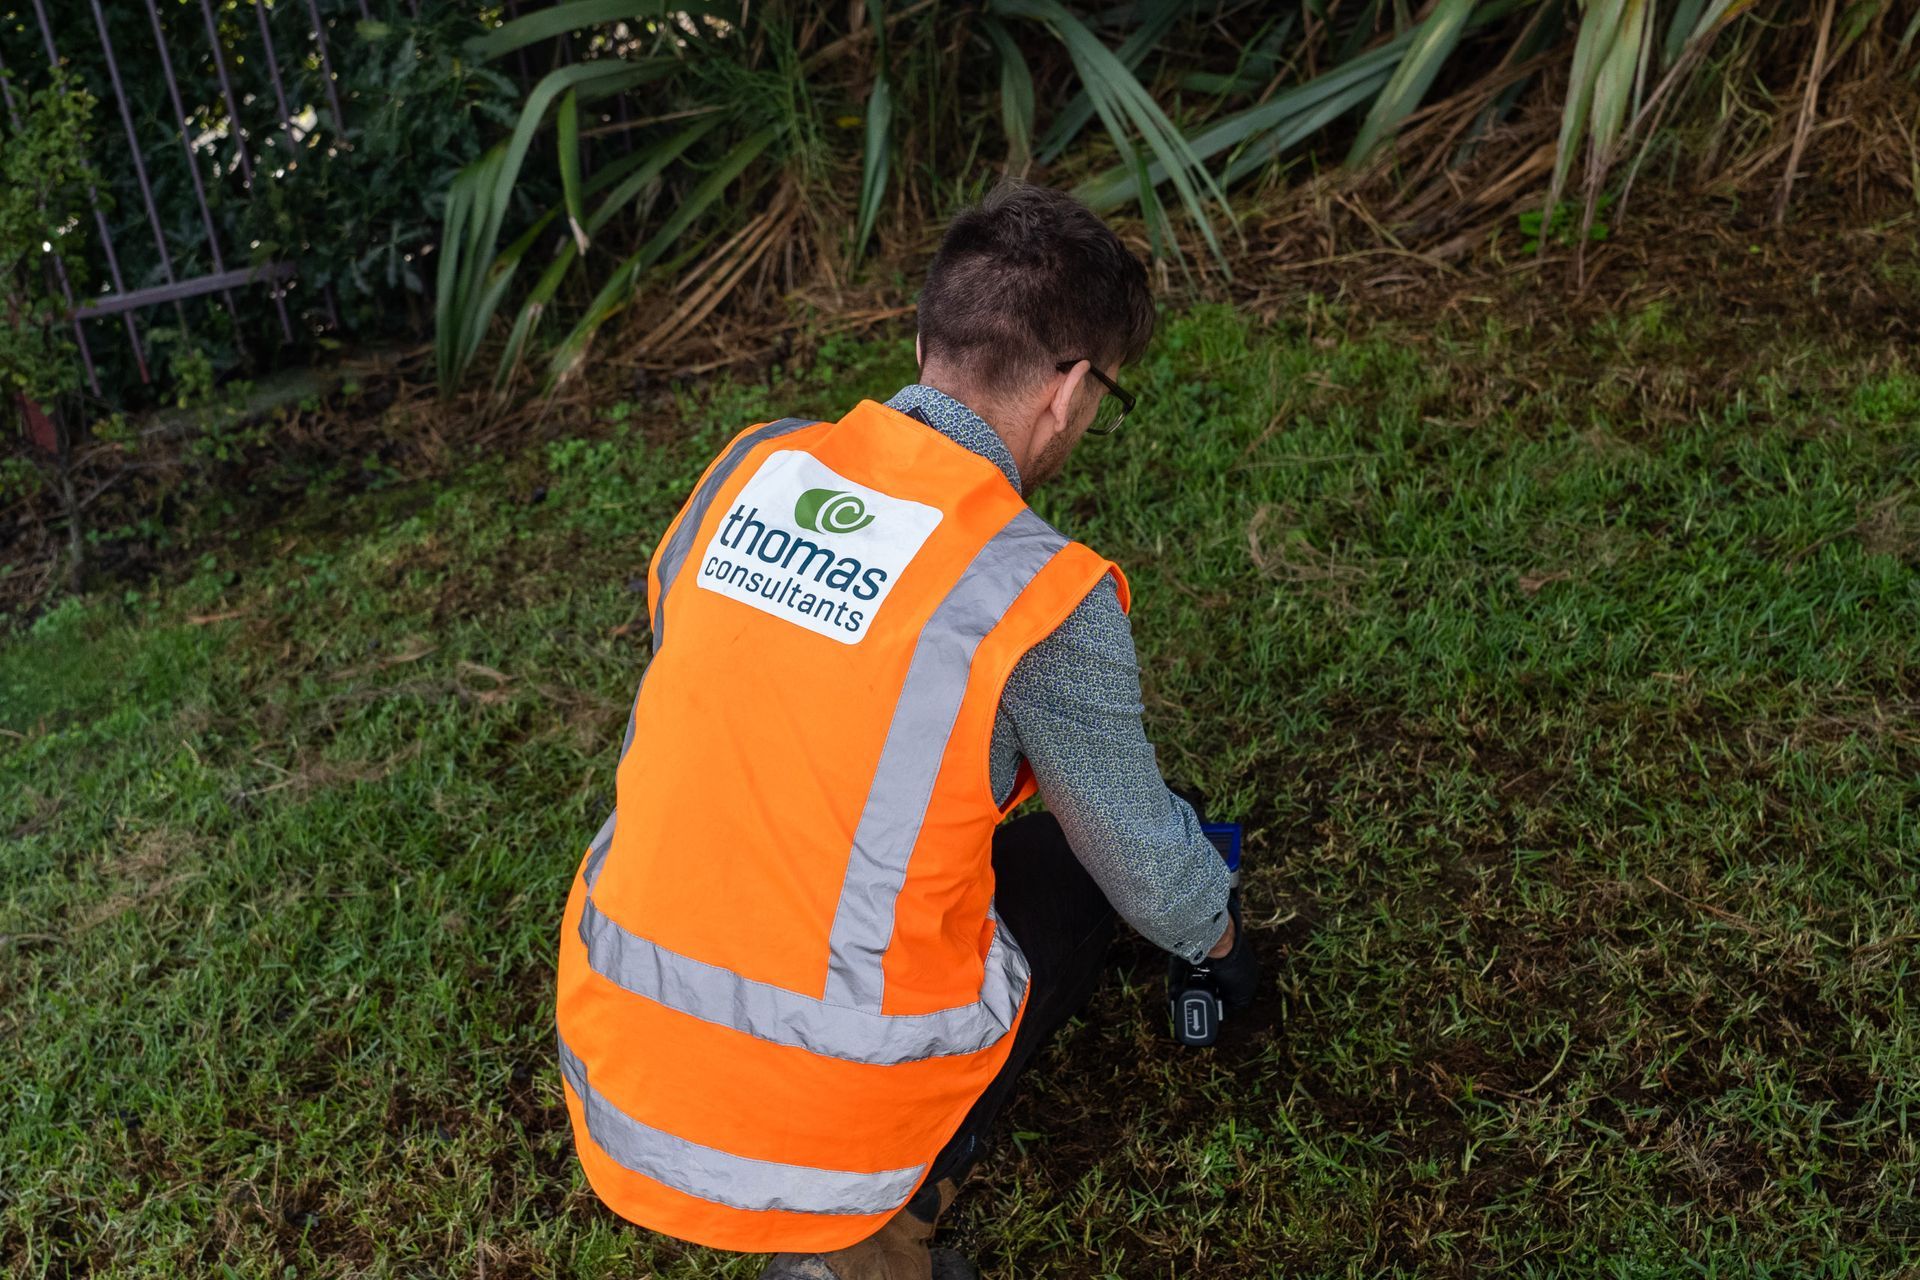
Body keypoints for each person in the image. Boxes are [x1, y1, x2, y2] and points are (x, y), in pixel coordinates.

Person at [553, 180, 1262, 1280]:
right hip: (823, 1128)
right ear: (1070, 393)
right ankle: (874, 1243)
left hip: (619, 1079)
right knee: (1072, 865)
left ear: (922, 337)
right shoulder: (1035, 590)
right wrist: (1222, 944)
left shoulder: (747, 471)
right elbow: (1140, 863)